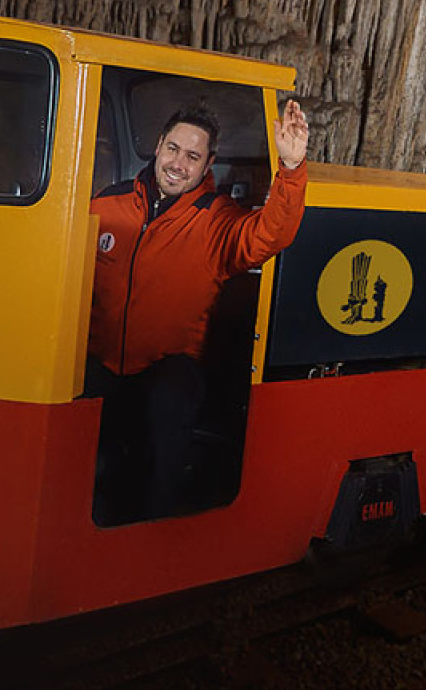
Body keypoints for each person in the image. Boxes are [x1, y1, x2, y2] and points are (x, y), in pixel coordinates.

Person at [87, 101, 310, 521]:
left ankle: (155, 537)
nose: (178, 163)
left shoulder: (216, 220)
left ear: (207, 163)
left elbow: (270, 234)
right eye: (173, 149)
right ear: (157, 147)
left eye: (192, 156)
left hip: (167, 370)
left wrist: (292, 167)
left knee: (163, 424)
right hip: (100, 363)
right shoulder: (107, 205)